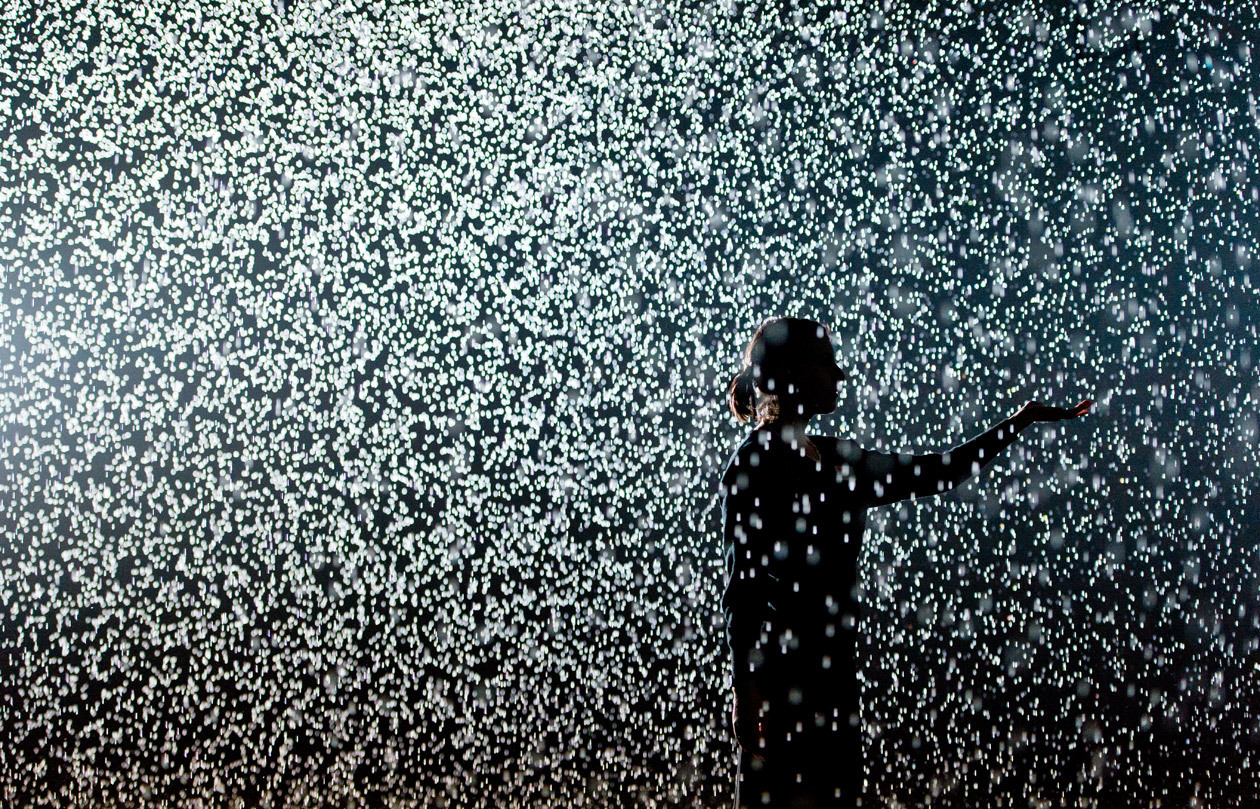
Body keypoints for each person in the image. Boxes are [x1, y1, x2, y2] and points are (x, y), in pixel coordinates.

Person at [719, 317, 1092, 808]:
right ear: (793, 373)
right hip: (778, 690)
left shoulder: (839, 461)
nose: (841, 375)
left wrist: (1020, 421)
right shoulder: (756, 464)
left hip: (832, 687)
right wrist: (746, 695)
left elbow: (940, 471)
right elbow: (743, 591)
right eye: (828, 364)